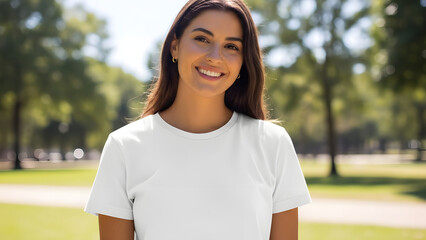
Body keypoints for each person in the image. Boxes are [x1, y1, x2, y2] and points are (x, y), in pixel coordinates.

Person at [85, 0, 311, 239]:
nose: (215, 56)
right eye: (202, 39)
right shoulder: (124, 147)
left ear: (243, 61)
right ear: (175, 46)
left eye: (232, 46)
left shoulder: (272, 144)